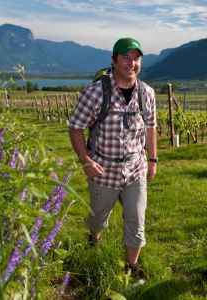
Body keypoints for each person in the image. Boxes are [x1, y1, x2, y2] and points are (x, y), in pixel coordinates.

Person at [69, 37, 157, 278]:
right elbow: (75, 127)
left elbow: (151, 127)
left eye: (136, 58)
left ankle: (132, 268)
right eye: (126, 58)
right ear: (114, 60)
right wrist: (86, 160)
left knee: (136, 221)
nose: (132, 63)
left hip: (135, 168)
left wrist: (153, 159)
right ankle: (95, 238)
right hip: (103, 169)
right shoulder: (96, 92)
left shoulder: (146, 93)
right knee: (98, 217)